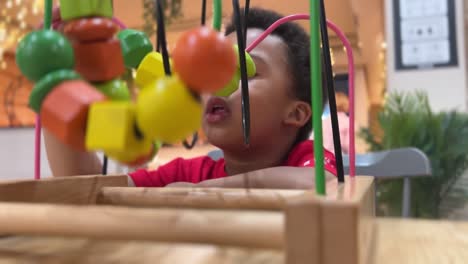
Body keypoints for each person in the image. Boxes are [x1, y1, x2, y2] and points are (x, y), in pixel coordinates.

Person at [44, 7, 337, 189]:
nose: (219, 83)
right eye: (216, 70)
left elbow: (314, 185)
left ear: (297, 114)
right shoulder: (189, 173)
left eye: (244, 72)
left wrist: (207, 189)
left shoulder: (309, 160)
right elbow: (86, 188)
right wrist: (62, 86)